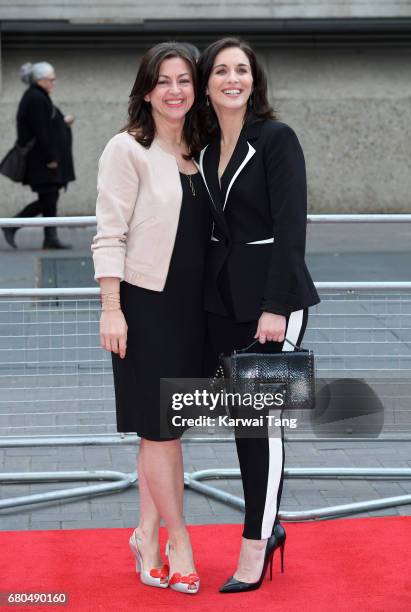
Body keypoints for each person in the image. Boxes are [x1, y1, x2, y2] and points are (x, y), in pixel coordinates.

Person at [197, 37, 320, 593]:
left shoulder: (276, 138)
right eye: (220, 70)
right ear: (206, 82)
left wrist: (275, 308)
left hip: (274, 304)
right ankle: (267, 527)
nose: (232, 78)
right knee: (243, 429)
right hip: (223, 304)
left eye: (241, 69)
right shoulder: (202, 147)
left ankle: (257, 539)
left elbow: (291, 228)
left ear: (254, 80)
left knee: (262, 427)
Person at [91, 42, 211, 595]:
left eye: (184, 79)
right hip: (145, 304)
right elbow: (108, 234)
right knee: (162, 432)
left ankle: (144, 532)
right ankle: (178, 538)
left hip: (193, 310)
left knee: (163, 430)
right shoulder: (127, 148)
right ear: (146, 90)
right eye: (163, 80)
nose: (175, 90)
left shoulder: (202, 152)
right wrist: (111, 310)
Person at [2, 61, 75, 250]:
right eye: (51, 79)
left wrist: (62, 121)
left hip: (42, 159)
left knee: (50, 197)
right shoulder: (35, 98)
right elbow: (41, 131)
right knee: (48, 199)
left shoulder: (38, 96)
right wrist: (51, 158)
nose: (53, 83)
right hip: (42, 160)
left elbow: (46, 123)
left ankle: (50, 238)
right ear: (40, 80)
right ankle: (12, 225)